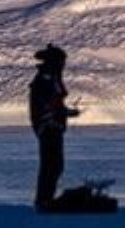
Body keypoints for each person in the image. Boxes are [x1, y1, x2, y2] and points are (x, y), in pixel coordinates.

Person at [29, 43, 80, 211]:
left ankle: (45, 198)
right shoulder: (46, 79)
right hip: (49, 127)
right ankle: (44, 200)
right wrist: (54, 116)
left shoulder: (51, 78)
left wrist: (65, 113)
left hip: (52, 126)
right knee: (52, 164)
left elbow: (53, 103)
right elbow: (45, 103)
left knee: (54, 164)